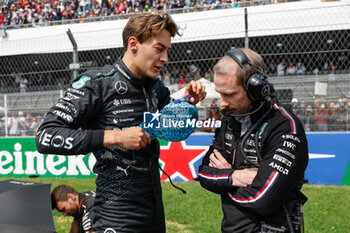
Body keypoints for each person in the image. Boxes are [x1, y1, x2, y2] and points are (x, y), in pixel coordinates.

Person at [36, 12, 206, 232]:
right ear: (133, 43)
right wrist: (116, 136)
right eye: (159, 48)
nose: (165, 58)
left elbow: (169, 127)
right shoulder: (96, 83)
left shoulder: (156, 87)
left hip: (154, 211)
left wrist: (187, 103)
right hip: (116, 214)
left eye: (167, 51)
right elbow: (45, 136)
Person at [198, 48, 308, 233]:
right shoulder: (229, 120)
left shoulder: (285, 126)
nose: (222, 103)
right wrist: (233, 177)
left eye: (230, 94)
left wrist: (223, 179)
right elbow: (203, 174)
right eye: (220, 94)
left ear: (255, 88)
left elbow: (261, 199)